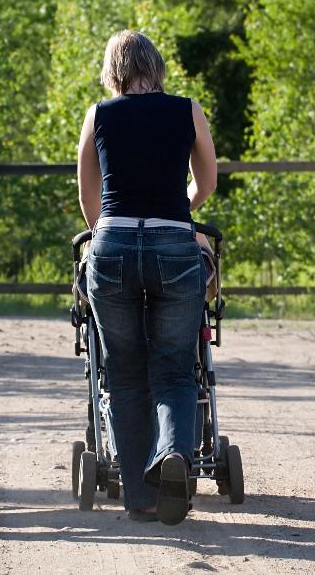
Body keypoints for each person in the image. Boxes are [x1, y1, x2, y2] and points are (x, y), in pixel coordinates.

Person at [76, 29, 218, 525]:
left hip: (112, 244)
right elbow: (208, 181)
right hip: (174, 246)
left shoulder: (98, 115)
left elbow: (88, 198)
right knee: (176, 367)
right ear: (154, 67)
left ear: (114, 70)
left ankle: (139, 496)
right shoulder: (188, 111)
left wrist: (106, 234)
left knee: (124, 372)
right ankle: (175, 453)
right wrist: (182, 209)